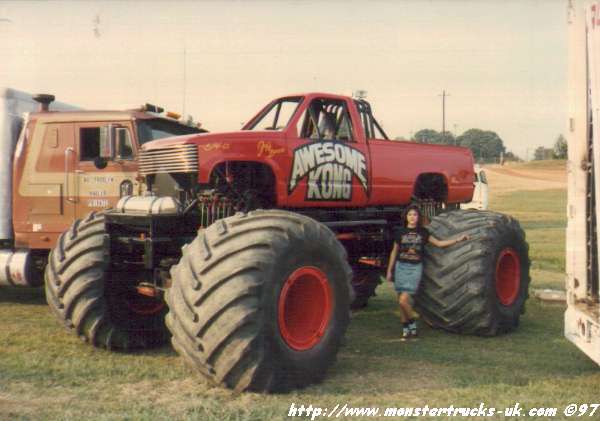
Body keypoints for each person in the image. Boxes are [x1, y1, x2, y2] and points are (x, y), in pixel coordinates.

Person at [386, 204, 469, 340]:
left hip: (414, 268)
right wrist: (389, 270)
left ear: (418, 218)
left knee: (403, 301)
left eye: (415, 215)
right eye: (410, 215)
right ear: (406, 217)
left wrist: (458, 239)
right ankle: (406, 329)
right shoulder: (400, 232)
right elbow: (394, 252)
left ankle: (412, 324)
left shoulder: (423, 233)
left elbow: (439, 244)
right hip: (401, 267)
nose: (412, 217)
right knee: (400, 300)